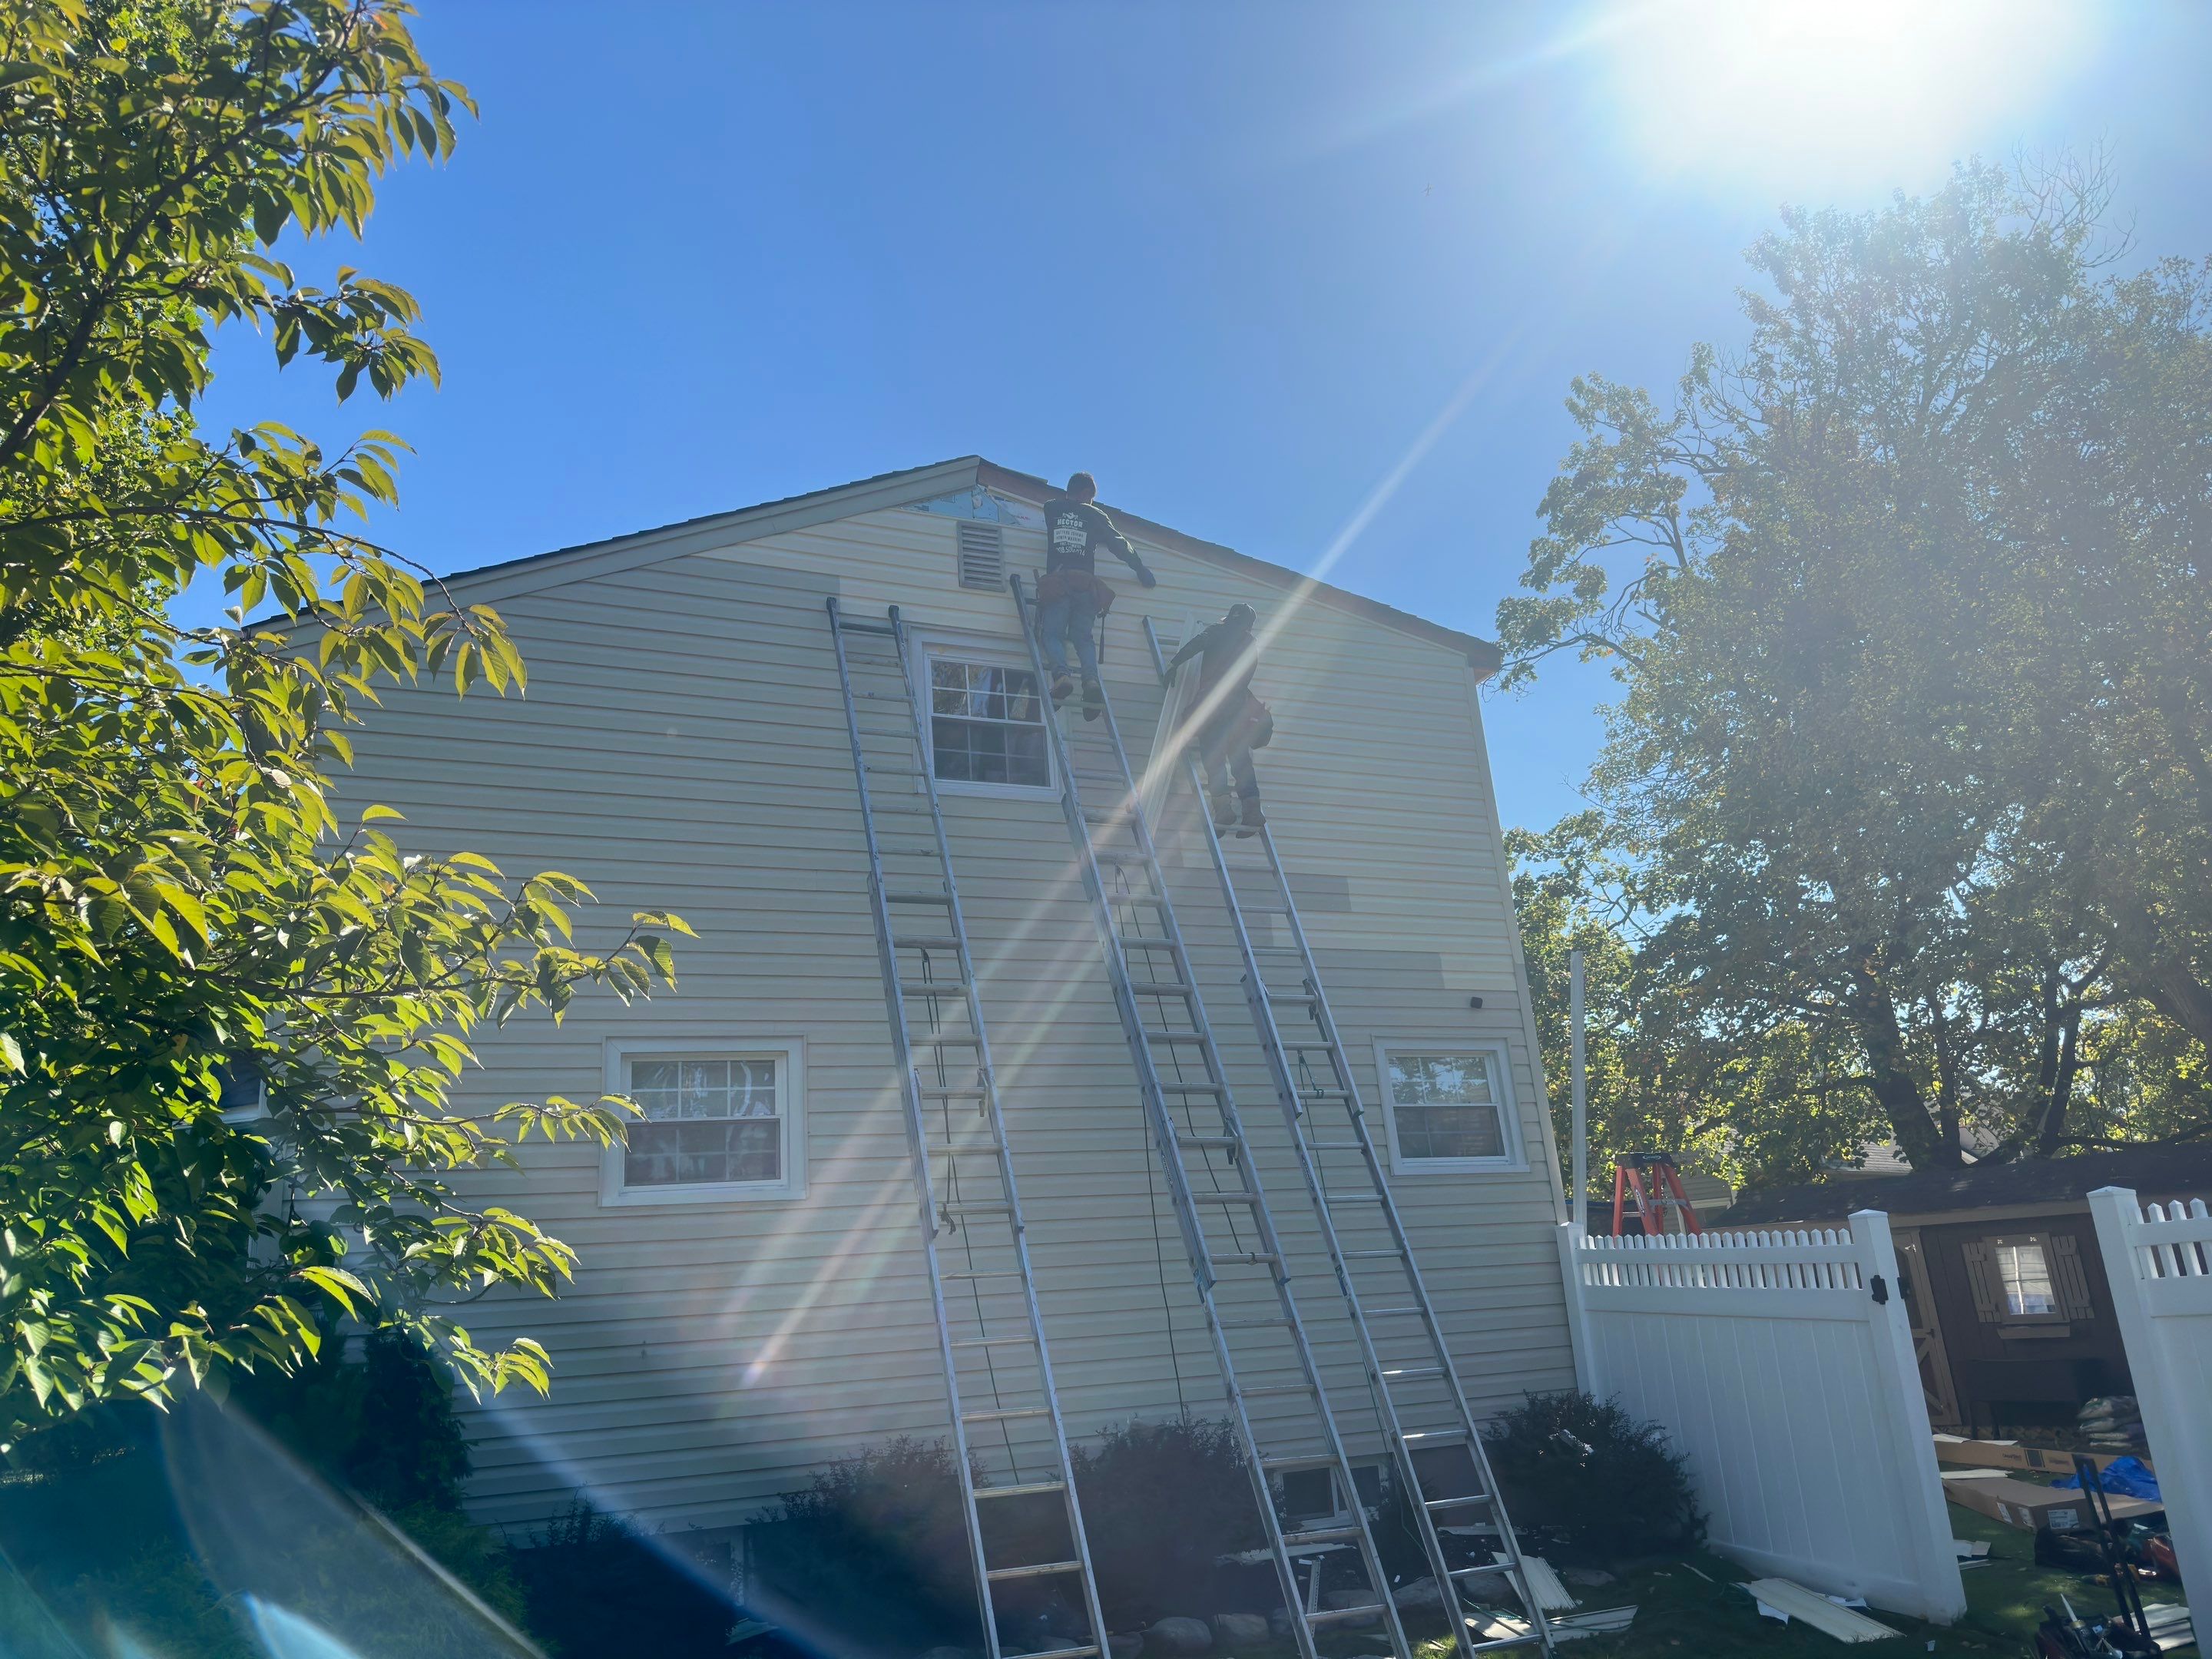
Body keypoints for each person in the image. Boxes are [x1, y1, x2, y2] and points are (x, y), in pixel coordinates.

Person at [1037, 472, 1156, 718]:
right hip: (1086, 586)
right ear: (1085, 495)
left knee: (1052, 634)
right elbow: (1119, 544)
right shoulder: (1095, 515)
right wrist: (1141, 570)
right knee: (1083, 639)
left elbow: (1065, 515)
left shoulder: (1051, 509)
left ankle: (1061, 678)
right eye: (1090, 498)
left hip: (1058, 583)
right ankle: (1090, 682)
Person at [1167, 602, 1273, 837]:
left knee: (1213, 757)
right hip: (1237, 709)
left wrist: (1174, 663)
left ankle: (1224, 809)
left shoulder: (1217, 630)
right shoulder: (1250, 643)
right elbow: (1246, 676)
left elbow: (1197, 644)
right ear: (1249, 624)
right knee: (1241, 761)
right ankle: (1252, 811)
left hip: (1214, 706)